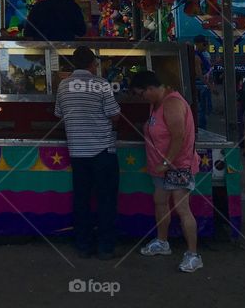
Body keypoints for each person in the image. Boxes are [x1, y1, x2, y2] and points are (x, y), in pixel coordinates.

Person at [130, 70, 203, 272]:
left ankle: (193, 255)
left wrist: (166, 161)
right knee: (160, 202)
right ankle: (162, 242)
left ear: (151, 89)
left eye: (141, 93)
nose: (141, 98)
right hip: (160, 168)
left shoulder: (172, 104)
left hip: (177, 167)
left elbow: (178, 136)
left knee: (182, 209)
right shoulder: (156, 103)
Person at [54, 46, 120, 260]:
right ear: (93, 64)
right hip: (103, 152)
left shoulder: (63, 86)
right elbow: (114, 115)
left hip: (77, 152)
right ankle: (105, 247)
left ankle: (83, 245)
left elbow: (59, 114)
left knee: (81, 200)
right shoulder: (101, 84)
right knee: (106, 200)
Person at [192, 36, 213, 130]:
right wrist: (210, 86)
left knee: (203, 108)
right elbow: (199, 74)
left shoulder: (201, 55)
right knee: (201, 109)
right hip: (200, 84)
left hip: (203, 84)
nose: (206, 46)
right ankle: (201, 129)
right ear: (198, 44)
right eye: (204, 44)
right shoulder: (196, 56)